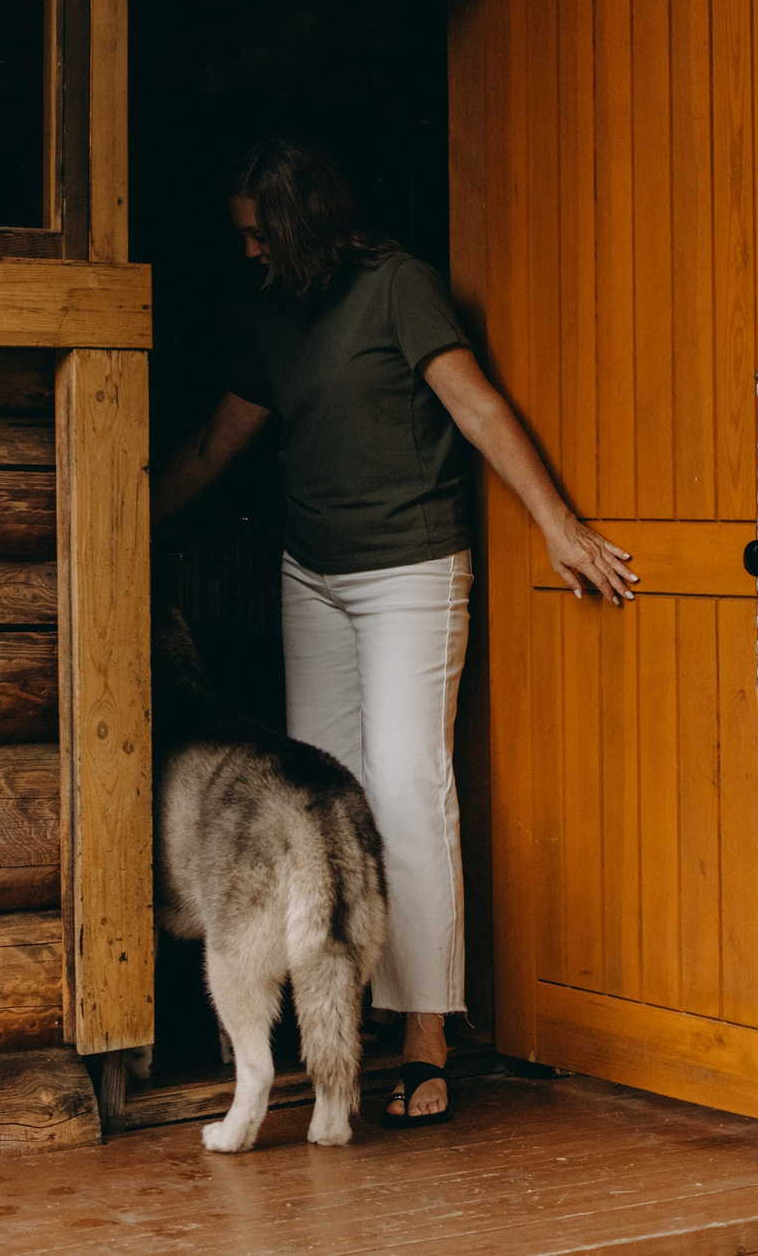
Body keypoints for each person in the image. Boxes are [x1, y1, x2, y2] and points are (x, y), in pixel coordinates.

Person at [155, 137, 634, 1128]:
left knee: (411, 789)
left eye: (255, 233)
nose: (244, 251)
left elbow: (475, 406)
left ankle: (425, 1028)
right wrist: (107, 529)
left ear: (296, 221)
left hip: (409, 570)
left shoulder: (395, 286)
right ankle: (348, 1023)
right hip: (312, 576)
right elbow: (212, 448)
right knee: (329, 799)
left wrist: (559, 526)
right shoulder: (272, 315)